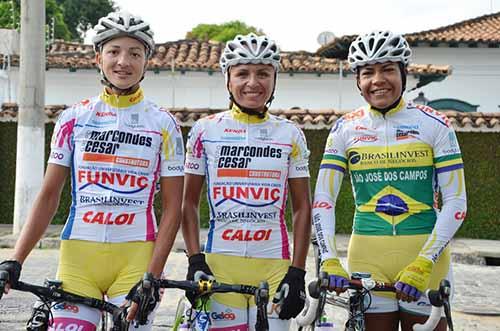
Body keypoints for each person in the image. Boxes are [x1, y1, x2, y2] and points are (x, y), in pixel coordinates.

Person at [0, 11, 184, 330]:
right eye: (114, 51)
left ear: (146, 61)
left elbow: (173, 209)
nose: (123, 61)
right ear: (98, 58)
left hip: (136, 259)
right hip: (77, 259)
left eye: (134, 53)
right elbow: (48, 195)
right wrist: (15, 259)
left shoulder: (164, 124)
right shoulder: (73, 119)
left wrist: (152, 277)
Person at [312, 30, 467, 331]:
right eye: (367, 72)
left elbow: (456, 202)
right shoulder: (344, 129)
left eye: (387, 70)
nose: (377, 80)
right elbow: (323, 201)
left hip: (426, 260)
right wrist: (329, 259)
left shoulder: (435, 124)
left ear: (403, 74)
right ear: (357, 80)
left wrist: (425, 261)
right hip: (367, 256)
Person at [181, 33, 311, 330]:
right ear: (228, 80)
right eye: (242, 73)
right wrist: (195, 260)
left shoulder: (290, 134)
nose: (253, 82)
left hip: (276, 270)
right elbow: (188, 202)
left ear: (275, 80)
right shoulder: (204, 131)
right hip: (219, 268)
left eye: (263, 73)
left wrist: (298, 271)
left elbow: (303, 208)